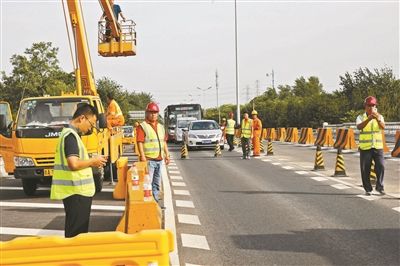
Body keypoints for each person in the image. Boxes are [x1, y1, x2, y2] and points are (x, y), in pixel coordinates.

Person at [50, 104, 107, 238]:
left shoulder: (70, 134)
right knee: (76, 234)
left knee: (75, 231)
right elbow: (73, 164)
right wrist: (93, 162)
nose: (90, 129)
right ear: (82, 118)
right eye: (91, 124)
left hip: (76, 191)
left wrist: (92, 160)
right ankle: (73, 258)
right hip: (76, 192)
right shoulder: (71, 136)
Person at [137, 102, 170, 203]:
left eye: (155, 113)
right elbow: (140, 142)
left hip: (159, 160)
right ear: (147, 113)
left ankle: (155, 203)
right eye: (151, 112)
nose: (153, 114)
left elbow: (163, 142)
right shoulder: (142, 126)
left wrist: (167, 155)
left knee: (156, 184)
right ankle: (148, 203)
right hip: (149, 160)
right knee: (147, 183)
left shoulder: (160, 127)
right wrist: (142, 157)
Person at [356, 96, 385, 196]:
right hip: (365, 147)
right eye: (369, 105)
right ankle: (368, 189)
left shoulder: (379, 116)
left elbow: (383, 127)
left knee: (381, 166)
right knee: (365, 169)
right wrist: (368, 119)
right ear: (365, 106)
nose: (371, 107)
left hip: (378, 146)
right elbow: (359, 127)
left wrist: (377, 119)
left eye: (373, 105)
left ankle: (380, 187)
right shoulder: (360, 117)